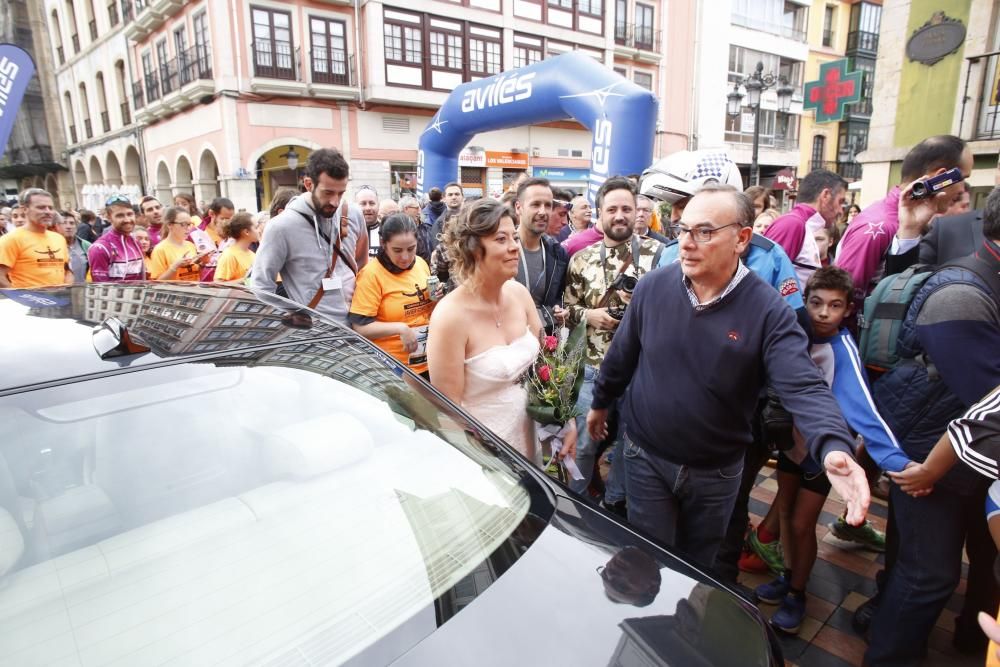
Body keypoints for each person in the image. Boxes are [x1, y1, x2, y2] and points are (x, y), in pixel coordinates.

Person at [586, 185, 870, 570]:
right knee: (647, 561)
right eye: (683, 230)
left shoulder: (767, 309)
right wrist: (602, 403)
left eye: (704, 232)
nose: (686, 243)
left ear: (741, 239)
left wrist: (833, 445)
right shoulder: (654, 287)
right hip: (645, 457)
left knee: (695, 569)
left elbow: (802, 383)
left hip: (715, 471)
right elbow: (622, 355)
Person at [861, 186, 1000, 664]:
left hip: (956, 450)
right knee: (928, 573)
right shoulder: (959, 296)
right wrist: (930, 469)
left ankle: (963, 639)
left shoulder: (977, 270)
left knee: (962, 562)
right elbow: (989, 407)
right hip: (930, 446)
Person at [753, 267, 908, 634]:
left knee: (804, 525)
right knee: (787, 513)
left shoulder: (843, 351)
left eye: (834, 305)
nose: (824, 313)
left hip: (824, 455)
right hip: (790, 445)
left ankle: (797, 593)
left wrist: (897, 462)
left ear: (848, 310)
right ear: (805, 302)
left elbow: (865, 411)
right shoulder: (792, 334)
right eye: (817, 303)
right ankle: (789, 575)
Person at [427, 198, 575, 466]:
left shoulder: (519, 294)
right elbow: (448, 411)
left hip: (531, 443)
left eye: (514, 237)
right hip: (485, 456)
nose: (514, 247)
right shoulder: (449, 317)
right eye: (501, 239)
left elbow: (548, 363)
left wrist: (566, 418)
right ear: (473, 249)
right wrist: (487, 463)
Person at [564, 176, 664, 497]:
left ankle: (615, 508)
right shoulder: (581, 258)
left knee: (628, 450)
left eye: (626, 209)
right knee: (583, 446)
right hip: (594, 369)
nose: (619, 215)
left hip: (641, 372)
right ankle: (572, 507)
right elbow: (568, 307)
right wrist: (589, 315)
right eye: (612, 209)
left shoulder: (659, 255)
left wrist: (639, 310)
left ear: (637, 212)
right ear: (599, 214)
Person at [836, 135, 973, 306]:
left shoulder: (912, 221)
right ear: (942, 177)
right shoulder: (880, 226)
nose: (963, 189)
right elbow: (840, 300)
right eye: (963, 178)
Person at [252, 148, 365, 326]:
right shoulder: (280, 227)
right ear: (308, 184)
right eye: (328, 192)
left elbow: (362, 266)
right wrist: (294, 319)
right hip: (316, 338)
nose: (335, 201)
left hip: (360, 330)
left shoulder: (353, 214)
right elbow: (261, 288)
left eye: (341, 193)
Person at [349, 214, 436, 378]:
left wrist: (437, 298)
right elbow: (360, 327)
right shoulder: (371, 274)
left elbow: (428, 309)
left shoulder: (421, 264)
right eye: (397, 250)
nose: (405, 257)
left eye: (411, 248)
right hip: (395, 368)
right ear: (383, 244)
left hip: (429, 359)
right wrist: (400, 328)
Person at [764, 169, 847, 286]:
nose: (840, 211)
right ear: (826, 196)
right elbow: (765, 280)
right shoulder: (792, 224)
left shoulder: (801, 224)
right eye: (840, 202)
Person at [513, 177, 569, 335]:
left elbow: (559, 295)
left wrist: (560, 309)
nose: (543, 212)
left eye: (548, 205)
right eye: (535, 204)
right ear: (519, 207)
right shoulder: (500, 248)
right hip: (506, 339)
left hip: (544, 338)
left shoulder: (558, 253)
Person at [0, 188, 71, 288]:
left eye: (50, 208)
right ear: (25, 209)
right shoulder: (11, 239)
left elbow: (67, 270)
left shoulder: (59, 238)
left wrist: (66, 290)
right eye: (41, 207)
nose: (48, 212)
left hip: (60, 300)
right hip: (28, 302)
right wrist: (19, 297)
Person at [88, 194, 146, 282]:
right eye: (120, 216)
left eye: (130, 214)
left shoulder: (135, 242)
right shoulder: (100, 248)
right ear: (109, 218)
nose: (127, 220)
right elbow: (101, 288)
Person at [148, 207, 205, 281]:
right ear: (170, 225)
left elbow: (195, 274)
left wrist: (203, 263)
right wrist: (175, 266)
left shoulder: (190, 245)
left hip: (193, 290)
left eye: (189, 224)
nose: (188, 228)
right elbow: (157, 282)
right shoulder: (160, 249)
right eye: (183, 224)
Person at [189, 197, 235, 281]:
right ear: (211, 214)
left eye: (230, 219)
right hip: (204, 286)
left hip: (228, 284)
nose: (227, 222)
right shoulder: (194, 233)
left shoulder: (235, 234)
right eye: (223, 218)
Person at [215, 212, 258, 282]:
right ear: (246, 232)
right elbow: (218, 285)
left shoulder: (252, 254)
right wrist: (246, 281)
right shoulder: (229, 255)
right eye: (256, 227)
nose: (259, 230)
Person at [57, 209, 90, 283]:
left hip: (82, 290)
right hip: (60, 291)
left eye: (72, 223)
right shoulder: (53, 246)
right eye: (64, 223)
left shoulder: (85, 245)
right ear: (57, 226)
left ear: (76, 226)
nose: (68, 226)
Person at [355, 186, 380, 258]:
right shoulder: (347, 232)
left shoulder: (388, 232)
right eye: (363, 203)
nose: (368, 208)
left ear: (378, 205)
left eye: (372, 203)